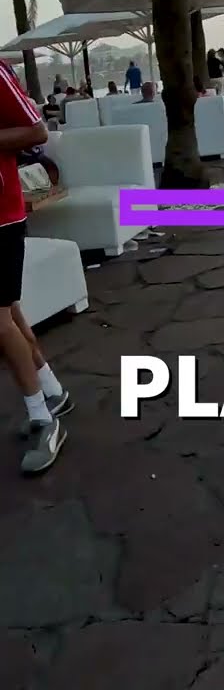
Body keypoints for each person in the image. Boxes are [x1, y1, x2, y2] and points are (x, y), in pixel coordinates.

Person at [0, 61, 71, 474]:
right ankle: (51, 390)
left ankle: (44, 419)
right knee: (7, 309)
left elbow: (36, 130)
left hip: (3, 215)